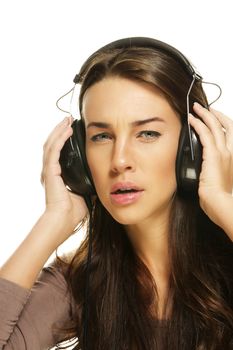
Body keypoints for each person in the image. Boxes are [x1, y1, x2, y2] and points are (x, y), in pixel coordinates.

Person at [0, 37, 233, 350]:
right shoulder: (80, 283)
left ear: (192, 147)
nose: (120, 161)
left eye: (147, 133)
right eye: (102, 136)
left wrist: (222, 201)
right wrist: (53, 221)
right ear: (79, 158)